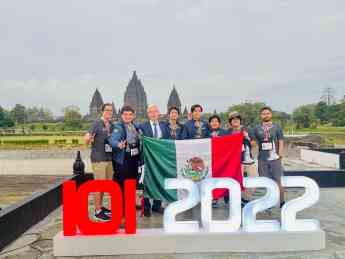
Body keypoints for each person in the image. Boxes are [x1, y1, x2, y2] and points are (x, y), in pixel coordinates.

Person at [84, 103, 114, 221]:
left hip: (109, 159)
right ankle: (97, 211)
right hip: (98, 159)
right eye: (107, 110)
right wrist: (88, 139)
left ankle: (101, 207)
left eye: (111, 111)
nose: (109, 112)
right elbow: (87, 136)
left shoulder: (111, 125)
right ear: (102, 111)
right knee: (99, 184)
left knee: (105, 185)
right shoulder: (97, 123)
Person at [139, 104, 170, 217]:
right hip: (147, 159)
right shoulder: (142, 127)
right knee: (147, 182)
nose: (153, 114)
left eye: (155, 111)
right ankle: (146, 206)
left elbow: (167, 141)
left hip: (160, 159)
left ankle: (157, 205)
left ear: (159, 113)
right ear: (148, 114)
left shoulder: (165, 126)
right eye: (151, 112)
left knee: (159, 180)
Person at [251, 106, 285, 208]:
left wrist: (280, 154)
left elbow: (281, 141)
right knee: (265, 180)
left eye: (267, 113)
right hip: (262, 158)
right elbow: (254, 142)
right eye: (263, 114)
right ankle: (269, 201)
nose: (266, 115)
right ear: (261, 116)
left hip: (275, 158)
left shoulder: (277, 127)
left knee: (278, 180)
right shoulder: (257, 128)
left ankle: (282, 202)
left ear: (271, 114)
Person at [109, 106, 141, 210]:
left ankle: (129, 206)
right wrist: (118, 144)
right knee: (121, 184)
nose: (128, 117)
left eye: (130, 114)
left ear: (133, 116)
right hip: (123, 159)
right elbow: (112, 139)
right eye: (125, 114)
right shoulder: (118, 127)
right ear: (121, 115)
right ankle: (120, 209)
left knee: (131, 183)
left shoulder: (135, 126)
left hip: (133, 159)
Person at [227, 111, 258, 207]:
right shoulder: (228, 132)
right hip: (236, 161)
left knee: (254, 180)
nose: (235, 121)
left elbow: (254, 143)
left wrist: (247, 137)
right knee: (236, 181)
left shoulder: (247, 130)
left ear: (240, 121)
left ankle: (245, 198)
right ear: (230, 122)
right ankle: (237, 199)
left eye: (237, 119)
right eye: (233, 119)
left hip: (249, 159)